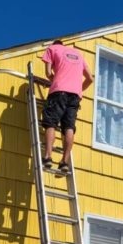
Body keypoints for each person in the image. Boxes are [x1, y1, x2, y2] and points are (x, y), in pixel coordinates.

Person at [40, 39, 94, 174]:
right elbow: (90, 79)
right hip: (75, 96)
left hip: (59, 92)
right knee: (69, 127)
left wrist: (55, 82)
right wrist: (78, 89)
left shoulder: (52, 49)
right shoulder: (78, 54)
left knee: (51, 123)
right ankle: (64, 161)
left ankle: (47, 157)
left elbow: (48, 73)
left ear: (54, 44)